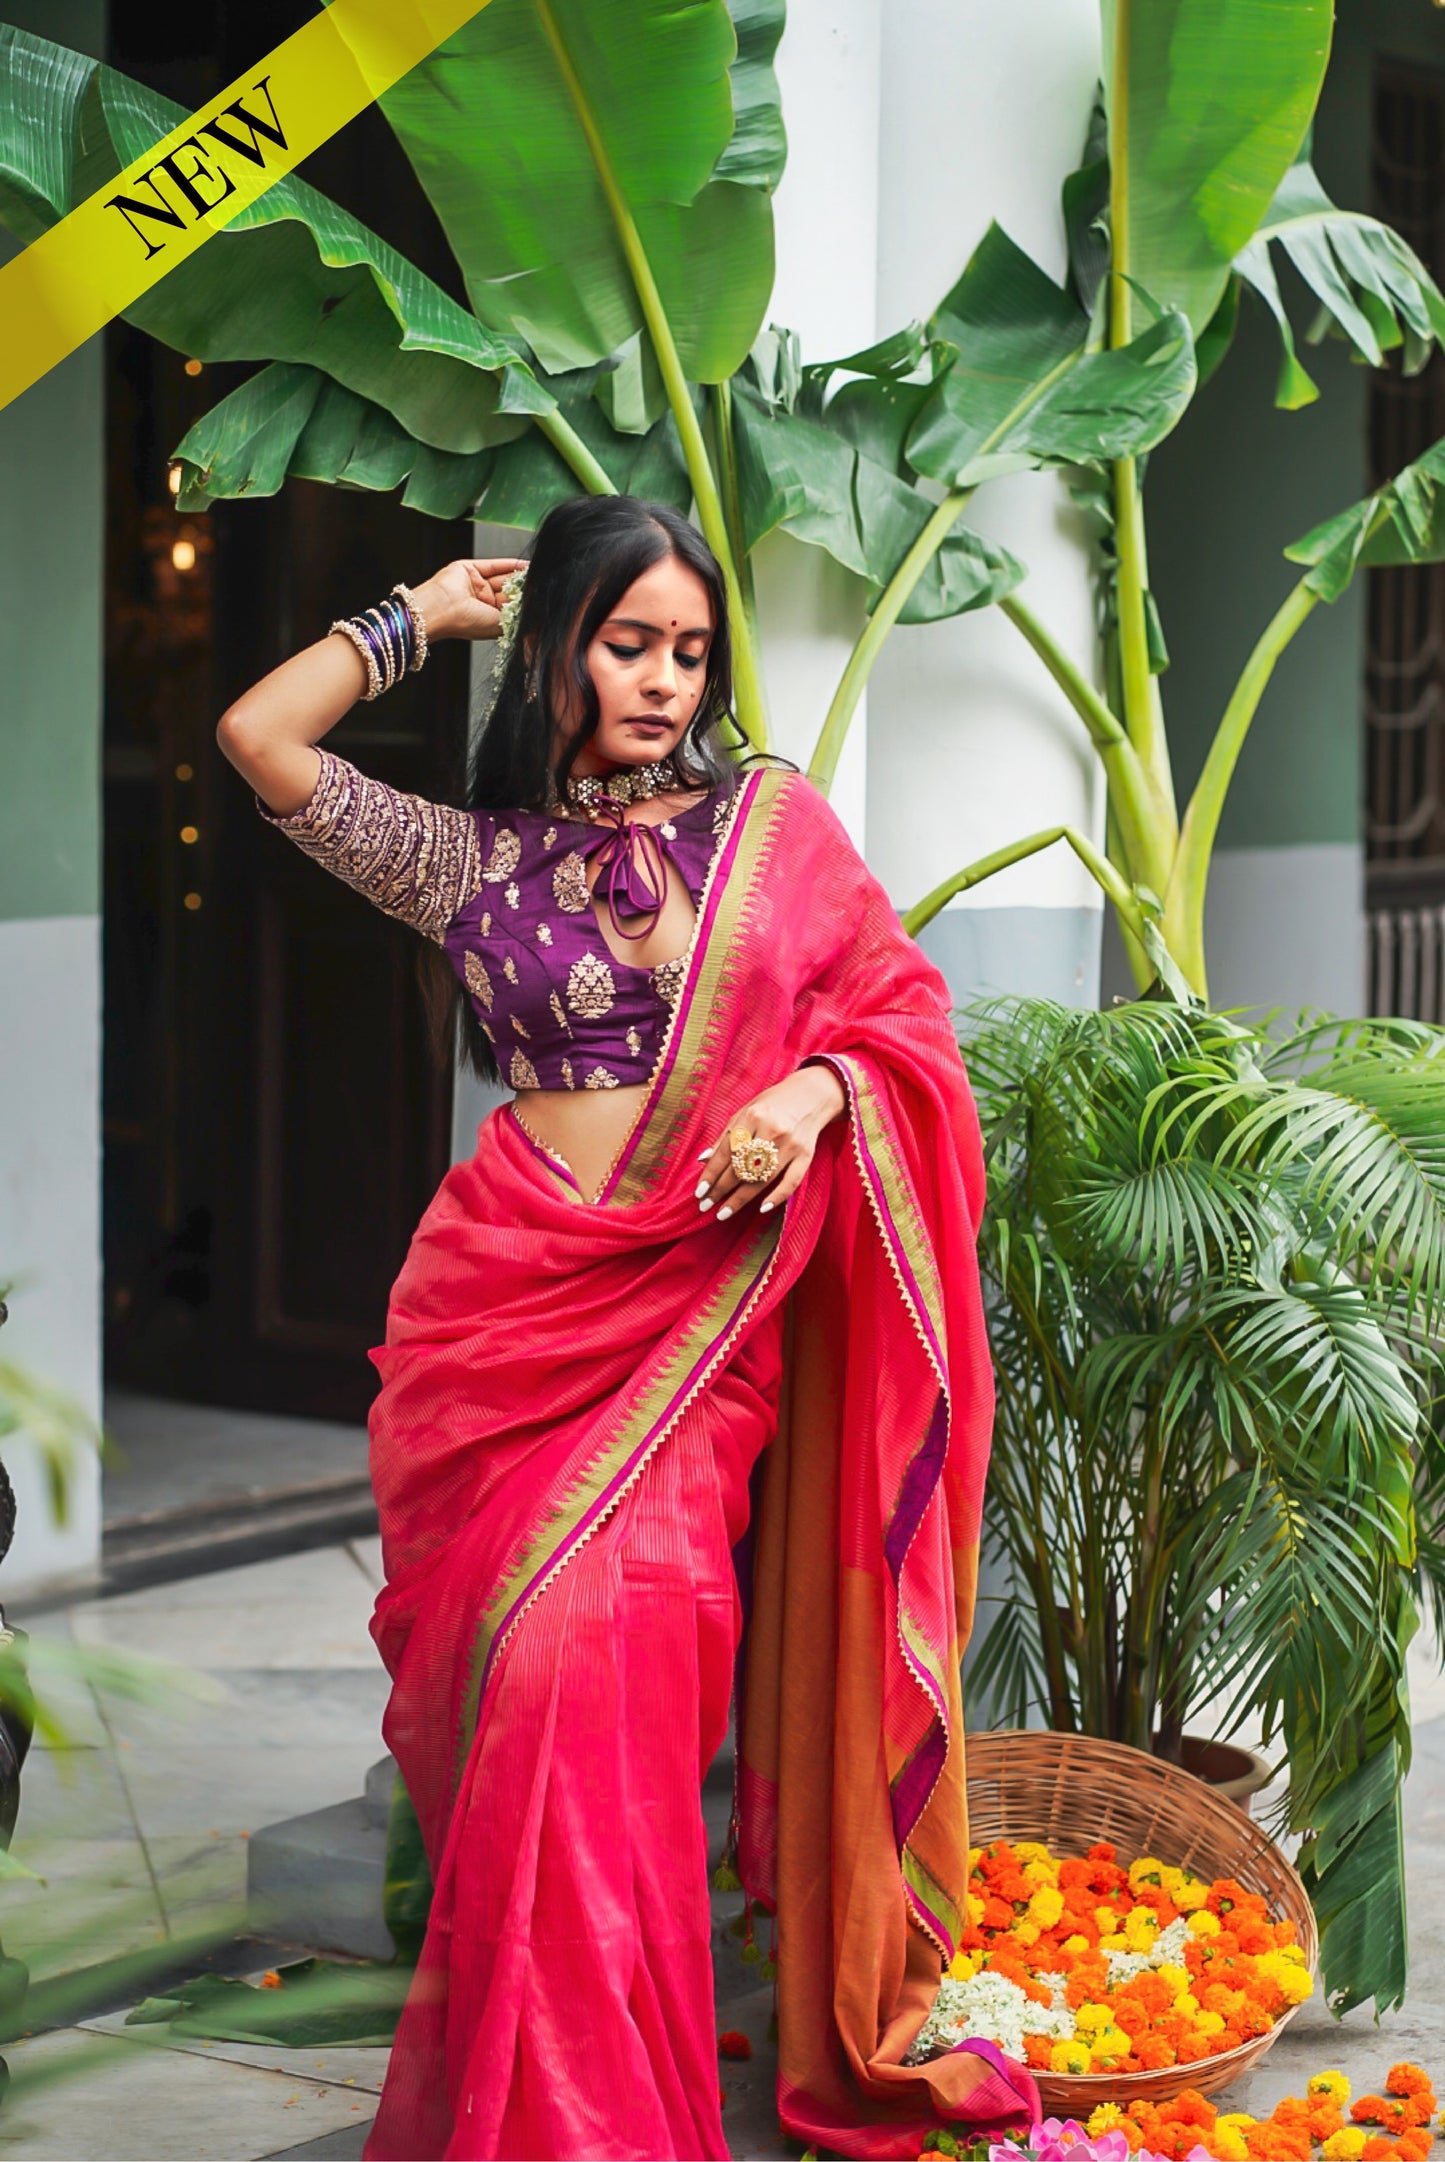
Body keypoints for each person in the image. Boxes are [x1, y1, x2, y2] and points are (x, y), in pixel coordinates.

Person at [216, 495, 1038, 2162]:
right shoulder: (471, 856)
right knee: (517, 1694)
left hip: (689, 1333)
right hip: (501, 1328)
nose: (662, 679)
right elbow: (258, 734)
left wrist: (810, 1097)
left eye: (686, 649)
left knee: (619, 1680)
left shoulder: (772, 834)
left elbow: (903, 1021)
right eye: (624, 642)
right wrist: (419, 613)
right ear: (558, 652)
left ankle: (609, 2119)